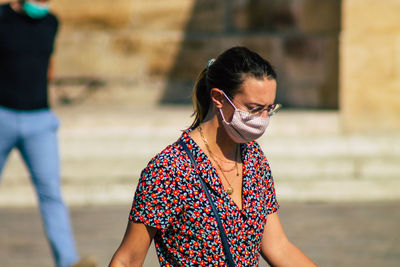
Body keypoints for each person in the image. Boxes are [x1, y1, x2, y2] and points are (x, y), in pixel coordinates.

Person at [109, 47, 317, 266]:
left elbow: (279, 247)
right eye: (254, 108)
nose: (263, 119)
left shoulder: (253, 158)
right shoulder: (170, 169)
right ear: (219, 98)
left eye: (269, 109)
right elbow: (128, 259)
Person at [0, 1, 96, 267]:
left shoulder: (51, 22)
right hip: (2, 115)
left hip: (40, 120)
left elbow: (47, 64)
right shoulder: (2, 17)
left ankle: (67, 262)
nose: (43, 3)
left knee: (51, 193)